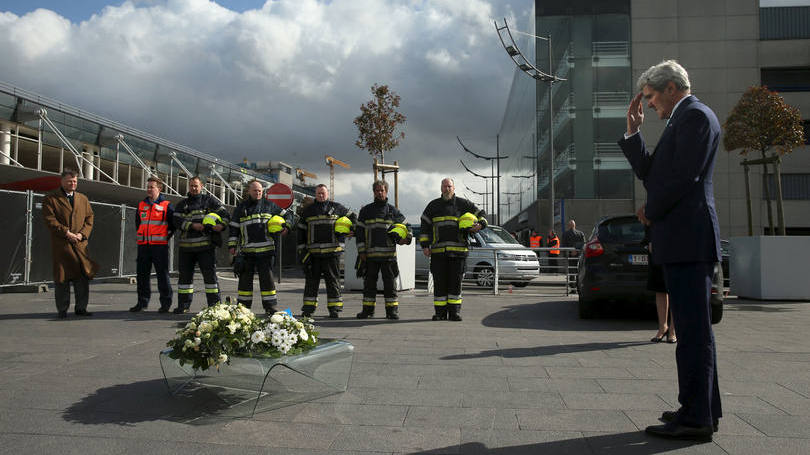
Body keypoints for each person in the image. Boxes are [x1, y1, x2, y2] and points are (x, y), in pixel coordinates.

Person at [619, 60, 722, 441]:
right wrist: (633, 135)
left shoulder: (695, 116)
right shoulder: (682, 120)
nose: (648, 105)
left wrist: (651, 211)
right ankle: (701, 408)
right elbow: (654, 173)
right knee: (696, 332)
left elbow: (683, 178)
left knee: (694, 334)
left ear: (671, 88)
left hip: (689, 240)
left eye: (650, 97)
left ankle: (696, 419)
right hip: (682, 239)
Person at [419, 177, 486, 322]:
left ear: (454, 188)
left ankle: (454, 313)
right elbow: (424, 225)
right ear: (441, 188)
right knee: (440, 284)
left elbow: (481, 214)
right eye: (444, 186)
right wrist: (424, 245)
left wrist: (480, 224)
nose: (447, 189)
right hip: (438, 254)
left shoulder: (463, 204)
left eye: (449, 186)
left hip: (458, 253)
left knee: (455, 284)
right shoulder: (433, 206)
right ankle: (440, 313)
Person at [42, 169, 99, 318]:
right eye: (69, 181)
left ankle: (81, 308)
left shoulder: (82, 199)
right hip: (62, 245)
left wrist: (82, 234)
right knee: (62, 278)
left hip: (80, 246)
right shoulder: (51, 198)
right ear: (62, 181)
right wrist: (67, 233)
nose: (72, 183)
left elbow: (89, 219)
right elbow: (50, 220)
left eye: (75, 181)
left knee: (82, 278)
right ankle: (62, 309)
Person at [228, 180, 288, 315]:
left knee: (267, 282)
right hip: (246, 253)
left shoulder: (270, 206)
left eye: (260, 190)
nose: (258, 192)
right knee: (244, 283)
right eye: (255, 190)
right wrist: (232, 246)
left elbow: (288, 215)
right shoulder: (241, 208)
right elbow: (234, 229)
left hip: (266, 252)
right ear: (249, 191)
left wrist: (287, 226)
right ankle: (243, 309)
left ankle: (270, 307)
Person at [297, 184, 356, 318]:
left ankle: (334, 309)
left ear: (327, 194)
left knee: (333, 282)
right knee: (311, 282)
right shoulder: (308, 210)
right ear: (315, 195)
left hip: (332, 253)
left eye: (323, 193)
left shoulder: (337, 207)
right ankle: (308, 309)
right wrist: (302, 252)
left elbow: (353, 217)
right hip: (313, 254)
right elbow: (300, 232)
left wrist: (352, 230)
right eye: (318, 193)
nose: (321, 195)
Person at [172, 176, 229, 314]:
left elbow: (226, 215)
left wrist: (221, 226)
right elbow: (176, 221)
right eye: (191, 186)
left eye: (196, 186)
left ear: (201, 186)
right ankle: (183, 306)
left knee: (210, 279)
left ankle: (215, 307)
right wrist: (192, 225)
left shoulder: (210, 201)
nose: (193, 188)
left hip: (206, 248)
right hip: (186, 249)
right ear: (188, 187)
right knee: (185, 279)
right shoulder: (182, 204)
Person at [355, 180, 411, 320]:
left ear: (386, 192)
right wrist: (361, 251)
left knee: (390, 286)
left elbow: (407, 226)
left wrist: (407, 238)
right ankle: (367, 311)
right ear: (373, 192)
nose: (380, 193)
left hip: (388, 256)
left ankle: (392, 312)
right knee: (369, 285)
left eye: (382, 190)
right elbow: (360, 232)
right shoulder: (366, 211)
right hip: (370, 256)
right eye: (377, 190)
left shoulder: (393, 211)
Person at [130, 176, 174, 313]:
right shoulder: (141, 205)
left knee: (162, 275)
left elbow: (172, 226)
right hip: (144, 246)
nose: (148, 189)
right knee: (142, 275)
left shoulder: (167, 205)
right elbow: (138, 223)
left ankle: (165, 303)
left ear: (159, 189)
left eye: (151, 187)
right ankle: (142, 302)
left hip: (159, 246)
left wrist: (165, 237)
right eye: (148, 187)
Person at [642, 225, 676, 343]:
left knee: (675, 289)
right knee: (660, 288)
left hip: (677, 247)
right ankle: (663, 327)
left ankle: (673, 330)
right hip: (658, 247)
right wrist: (650, 240)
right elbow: (649, 217)